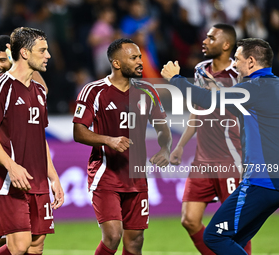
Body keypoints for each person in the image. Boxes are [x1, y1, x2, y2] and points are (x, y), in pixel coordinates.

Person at [161, 38, 279, 255]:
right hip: (272, 182)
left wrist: (176, 79)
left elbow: (209, 100)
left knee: (214, 236)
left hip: (260, 182)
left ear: (251, 62)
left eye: (238, 60)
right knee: (236, 242)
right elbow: (231, 105)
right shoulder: (273, 87)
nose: (234, 65)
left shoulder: (253, 88)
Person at [73, 38, 172, 255]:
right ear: (116, 63)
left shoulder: (147, 91)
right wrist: (109, 140)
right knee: (113, 235)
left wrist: (165, 149)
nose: (140, 62)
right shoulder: (94, 91)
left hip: (136, 177)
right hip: (105, 175)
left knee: (135, 242)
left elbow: (163, 129)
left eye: (140, 57)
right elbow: (78, 131)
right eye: (134, 57)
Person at [0, 27, 64, 255]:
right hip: (11, 182)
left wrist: (53, 177)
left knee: (36, 247)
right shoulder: (1, 87)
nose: (48, 55)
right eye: (43, 50)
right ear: (25, 53)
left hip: (38, 182)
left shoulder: (39, 90)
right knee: (19, 246)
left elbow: (39, 138)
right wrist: (12, 167)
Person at [169, 24, 251, 254]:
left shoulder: (240, 74)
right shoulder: (201, 69)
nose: (204, 41)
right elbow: (199, 109)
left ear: (226, 45)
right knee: (189, 220)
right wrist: (180, 145)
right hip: (202, 161)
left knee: (236, 227)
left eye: (211, 38)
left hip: (231, 159)